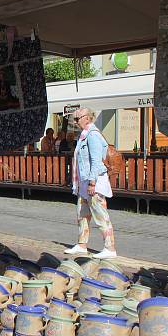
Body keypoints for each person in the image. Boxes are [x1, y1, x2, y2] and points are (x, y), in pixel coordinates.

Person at [64, 108, 117, 259]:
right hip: (84, 184)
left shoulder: (92, 135)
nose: (75, 122)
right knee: (82, 214)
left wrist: (92, 183)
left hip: (94, 182)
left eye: (77, 119)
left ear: (87, 118)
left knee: (100, 215)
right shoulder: (84, 135)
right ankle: (81, 245)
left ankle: (110, 248)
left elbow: (96, 161)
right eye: (73, 119)